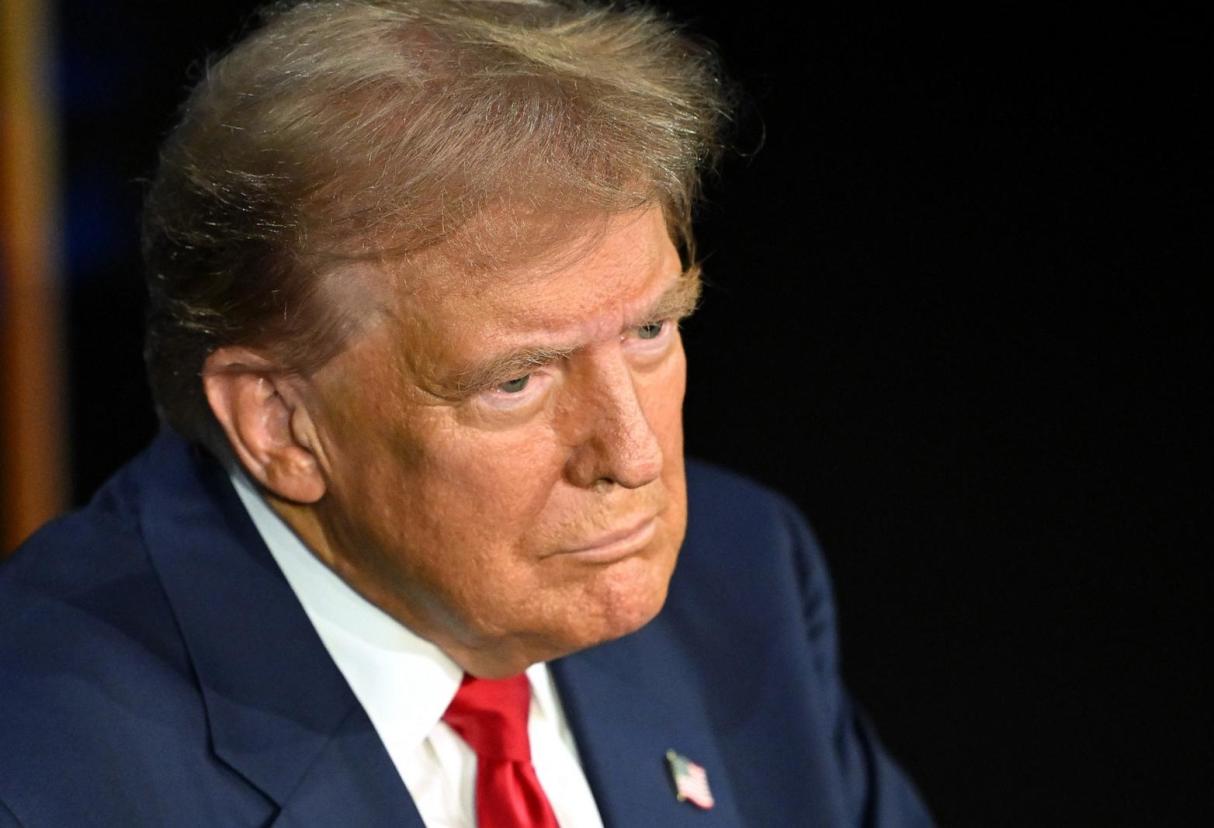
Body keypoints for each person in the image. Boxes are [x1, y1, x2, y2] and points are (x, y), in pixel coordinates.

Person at [0, 1, 933, 825]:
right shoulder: (44, 767)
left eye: (651, 329)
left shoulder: (737, 579)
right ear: (281, 423)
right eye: (517, 382)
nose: (635, 456)